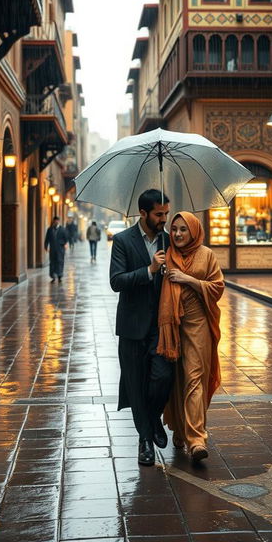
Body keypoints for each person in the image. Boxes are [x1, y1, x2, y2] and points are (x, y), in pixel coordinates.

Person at [110, 189, 173, 466]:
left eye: (166, 214)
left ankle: (153, 419)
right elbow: (117, 281)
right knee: (135, 385)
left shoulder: (170, 241)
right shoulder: (123, 240)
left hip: (161, 327)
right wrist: (149, 270)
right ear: (143, 213)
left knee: (163, 378)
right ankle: (145, 441)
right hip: (132, 327)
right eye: (159, 214)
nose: (164, 219)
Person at [157, 211, 224, 462]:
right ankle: (180, 429)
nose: (177, 234)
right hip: (171, 328)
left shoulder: (206, 255)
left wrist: (188, 279)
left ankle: (196, 439)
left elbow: (217, 287)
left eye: (183, 229)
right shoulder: (167, 255)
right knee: (176, 380)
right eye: (174, 229)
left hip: (198, 326)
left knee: (195, 378)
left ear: (194, 230)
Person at [44, 216, 68, 283]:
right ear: (53, 221)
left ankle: (60, 275)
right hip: (52, 249)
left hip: (60, 249)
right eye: (55, 220)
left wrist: (63, 244)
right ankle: (53, 276)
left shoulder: (63, 229)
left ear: (59, 221)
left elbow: (66, 239)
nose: (56, 222)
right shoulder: (50, 229)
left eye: (57, 220)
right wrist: (46, 246)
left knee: (60, 262)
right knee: (52, 262)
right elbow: (47, 239)